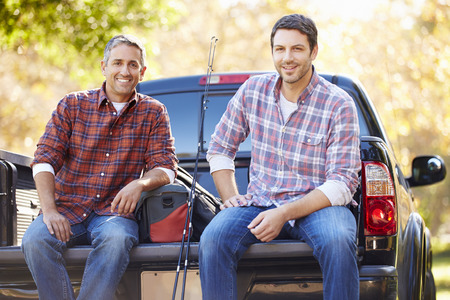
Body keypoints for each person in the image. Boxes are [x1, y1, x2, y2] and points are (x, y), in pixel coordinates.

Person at [199, 14, 361, 300]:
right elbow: (220, 147)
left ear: (314, 51)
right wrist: (230, 197)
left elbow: (342, 183)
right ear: (272, 51)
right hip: (260, 202)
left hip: (318, 207)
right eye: (280, 49)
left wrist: (283, 213)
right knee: (213, 238)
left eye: (297, 49)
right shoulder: (253, 90)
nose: (288, 57)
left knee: (338, 240)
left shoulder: (338, 103)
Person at [21, 34, 178, 300]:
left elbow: (166, 167)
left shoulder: (154, 112)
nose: (124, 71)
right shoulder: (72, 105)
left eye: (132, 64)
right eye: (117, 63)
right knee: (35, 241)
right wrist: (49, 211)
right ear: (104, 67)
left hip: (114, 214)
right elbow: (45, 159)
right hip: (67, 208)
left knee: (117, 240)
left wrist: (139, 184)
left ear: (142, 71)